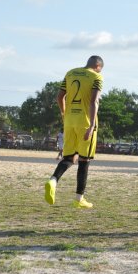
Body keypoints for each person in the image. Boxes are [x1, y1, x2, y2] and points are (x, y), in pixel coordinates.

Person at [44, 55, 104, 209]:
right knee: (84, 161)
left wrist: (64, 114)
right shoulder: (96, 77)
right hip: (85, 122)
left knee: (69, 157)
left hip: (70, 121)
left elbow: (59, 97)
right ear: (98, 66)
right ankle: (79, 199)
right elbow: (94, 101)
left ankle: (53, 180)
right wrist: (91, 125)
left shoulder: (70, 73)